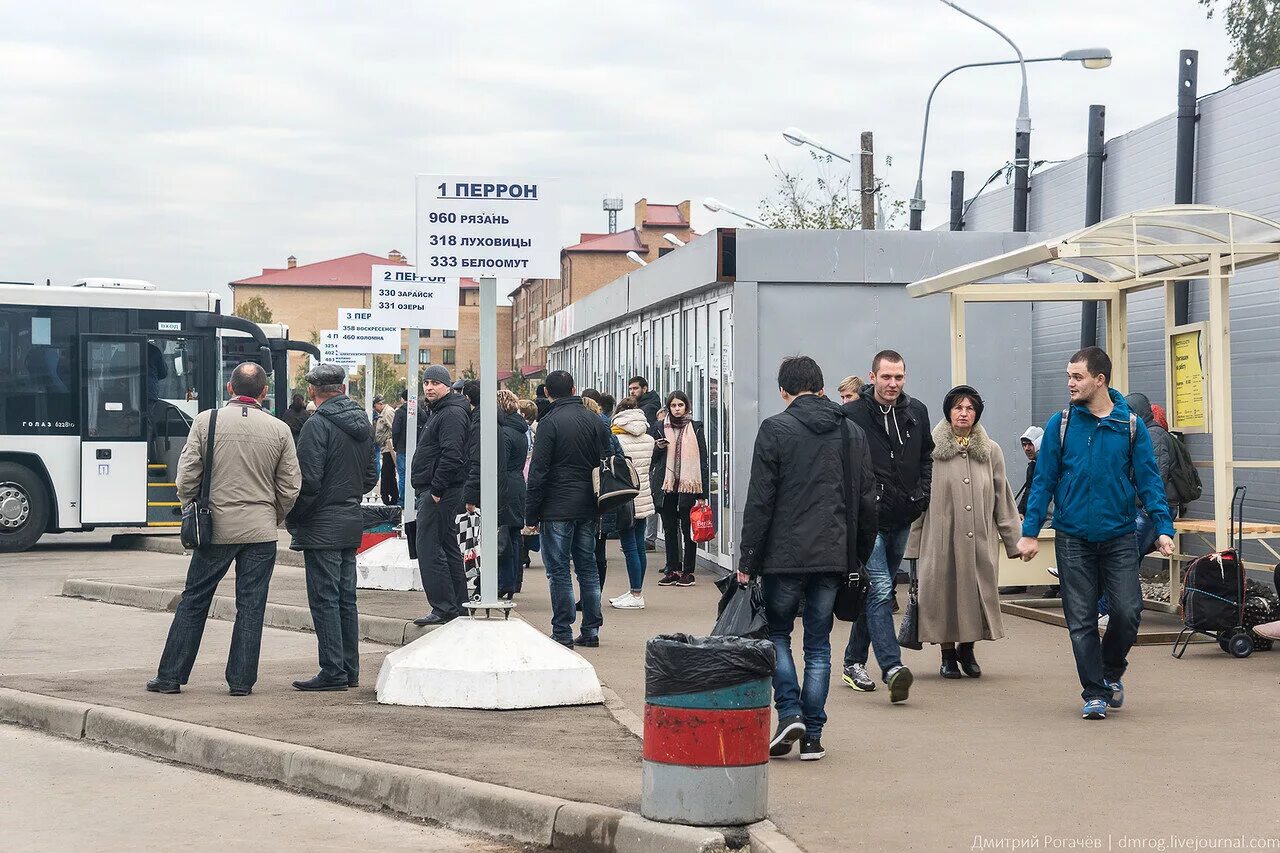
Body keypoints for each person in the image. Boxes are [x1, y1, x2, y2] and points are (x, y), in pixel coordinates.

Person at [1019, 346, 1175, 721]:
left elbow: (1150, 481)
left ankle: (1110, 671)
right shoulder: (1061, 424)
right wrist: (1029, 531)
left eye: (1077, 376)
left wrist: (1163, 527)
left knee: (1128, 611)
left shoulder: (1130, 426)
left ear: (1099, 379)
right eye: (1068, 376)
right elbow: (1043, 482)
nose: (1070, 383)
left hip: (1119, 534)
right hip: (1073, 535)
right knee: (1082, 620)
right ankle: (1095, 693)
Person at [739, 356, 877, 762]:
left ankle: (790, 713)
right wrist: (859, 555)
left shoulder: (775, 429)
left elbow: (760, 500)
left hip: (784, 557)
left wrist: (748, 558)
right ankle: (813, 735)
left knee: (777, 633)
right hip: (835, 556)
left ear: (784, 391)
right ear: (820, 387)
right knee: (818, 643)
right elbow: (867, 501)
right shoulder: (852, 432)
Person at [148, 363, 301, 697]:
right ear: (264, 392)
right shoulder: (279, 430)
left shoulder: (207, 420)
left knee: (195, 599)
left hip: (214, 528)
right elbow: (290, 486)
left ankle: (171, 677)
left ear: (230, 388)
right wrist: (272, 515)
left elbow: (187, 474)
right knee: (251, 606)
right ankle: (241, 682)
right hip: (261, 533)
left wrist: (191, 504)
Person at [909, 386, 1022, 679]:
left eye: (969, 408)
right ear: (948, 412)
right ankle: (947, 654)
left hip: (979, 539)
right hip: (940, 540)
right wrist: (911, 545)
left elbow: (1002, 495)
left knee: (976, 594)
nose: (963, 413)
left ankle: (967, 649)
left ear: (977, 414)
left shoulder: (991, 451)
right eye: (958, 407)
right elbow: (918, 500)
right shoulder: (930, 451)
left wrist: (1014, 540)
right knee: (941, 597)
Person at [839, 350, 929, 701]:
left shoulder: (916, 412)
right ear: (872, 377)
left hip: (902, 515)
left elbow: (925, 457)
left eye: (899, 377)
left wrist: (922, 494)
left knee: (875, 591)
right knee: (879, 590)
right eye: (886, 377)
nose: (893, 384)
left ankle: (852, 662)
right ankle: (892, 667)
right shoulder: (851, 415)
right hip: (867, 520)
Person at [287, 364, 378, 692]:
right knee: (345, 598)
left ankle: (333, 670)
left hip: (322, 523)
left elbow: (308, 481)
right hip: (350, 518)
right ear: (341, 387)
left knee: (324, 598)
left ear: (313, 391)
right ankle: (348, 669)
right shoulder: (362, 423)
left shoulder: (317, 425)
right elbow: (371, 477)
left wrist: (295, 518)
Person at [524, 370, 612, 648]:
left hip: (556, 506)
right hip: (589, 505)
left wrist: (531, 514)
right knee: (587, 567)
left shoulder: (549, 423)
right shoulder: (595, 420)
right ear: (575, 388)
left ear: (548, 394)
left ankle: (562, 630)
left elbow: (537, 472)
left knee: (559, 569)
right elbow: (607, 460)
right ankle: (591, 630)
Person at [410, 366, 472, 626]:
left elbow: (452, 454)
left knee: (428, 547)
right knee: (446, 545)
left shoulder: (451, 414)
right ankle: (457, 605)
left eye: (435, 382)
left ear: (447, 386)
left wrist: (436, 489)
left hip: (440, 492)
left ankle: (443, 607)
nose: (429, 387)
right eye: (426, 382)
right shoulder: (442, 411)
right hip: (441, 490)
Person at [462, 385, 519, 600]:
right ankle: (506, 582)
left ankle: (489, 584)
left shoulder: (483, 424)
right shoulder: (506, 426)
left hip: (493, 488)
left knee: (489, 541)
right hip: (508, 486)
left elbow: (478, 460)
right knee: (507, 539)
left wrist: (471, 494)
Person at [650, 391, 710, 588]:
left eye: (680, 405)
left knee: (687, 529)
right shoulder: (659, 427)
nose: (676, 409)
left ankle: (688, 571)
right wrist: (658, 448)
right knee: (669, 529)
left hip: (688, 485)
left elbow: (703, 461)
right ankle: (673, 569)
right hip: (666, 485)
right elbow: (653, 458)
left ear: (686, 407)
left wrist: (702, 494)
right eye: (673, 406)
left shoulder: (696, 428)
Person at [609, 398, 656, 609]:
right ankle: (636, 590)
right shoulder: (649, 439)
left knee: (629, 547)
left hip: (625, 497)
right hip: (644, 495)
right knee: (639, 545)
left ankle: (636, 595)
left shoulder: (616, 438)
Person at [583, 395, 625, 595]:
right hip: (606, 498)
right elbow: (620, 461)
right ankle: (596, 593)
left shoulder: (584, 436)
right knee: (599, 549)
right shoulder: (609, 436)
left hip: (587, 498)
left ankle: (589, 595)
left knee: (586, 551)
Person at [497, 390, 529, 597]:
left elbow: (501, 464)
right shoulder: (520, 431)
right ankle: (514, 582)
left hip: (505, 485)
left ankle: (504, 582)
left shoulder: (504, 433)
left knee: (503, 536)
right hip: (518, 483)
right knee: (515, 534)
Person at [375, 394, 399, 505]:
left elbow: (393, 428)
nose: (375, 409)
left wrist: (387, 440)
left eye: (375, 406)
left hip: (389, 448)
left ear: (380, 404)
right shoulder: (382, 413)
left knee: (386, 473)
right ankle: (392, 496)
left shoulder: (388, 412)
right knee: (388, 473)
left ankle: (388, 496)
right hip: (385, 448)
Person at [391, 389, 409, 505]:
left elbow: (395, 431)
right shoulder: (420, 412)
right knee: (412, 475)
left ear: (403, 399)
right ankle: (412, 499)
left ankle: (403, 500)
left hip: (402, 449)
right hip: (416, 450)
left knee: (402, 476)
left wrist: (395, 445)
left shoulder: (400, 412)